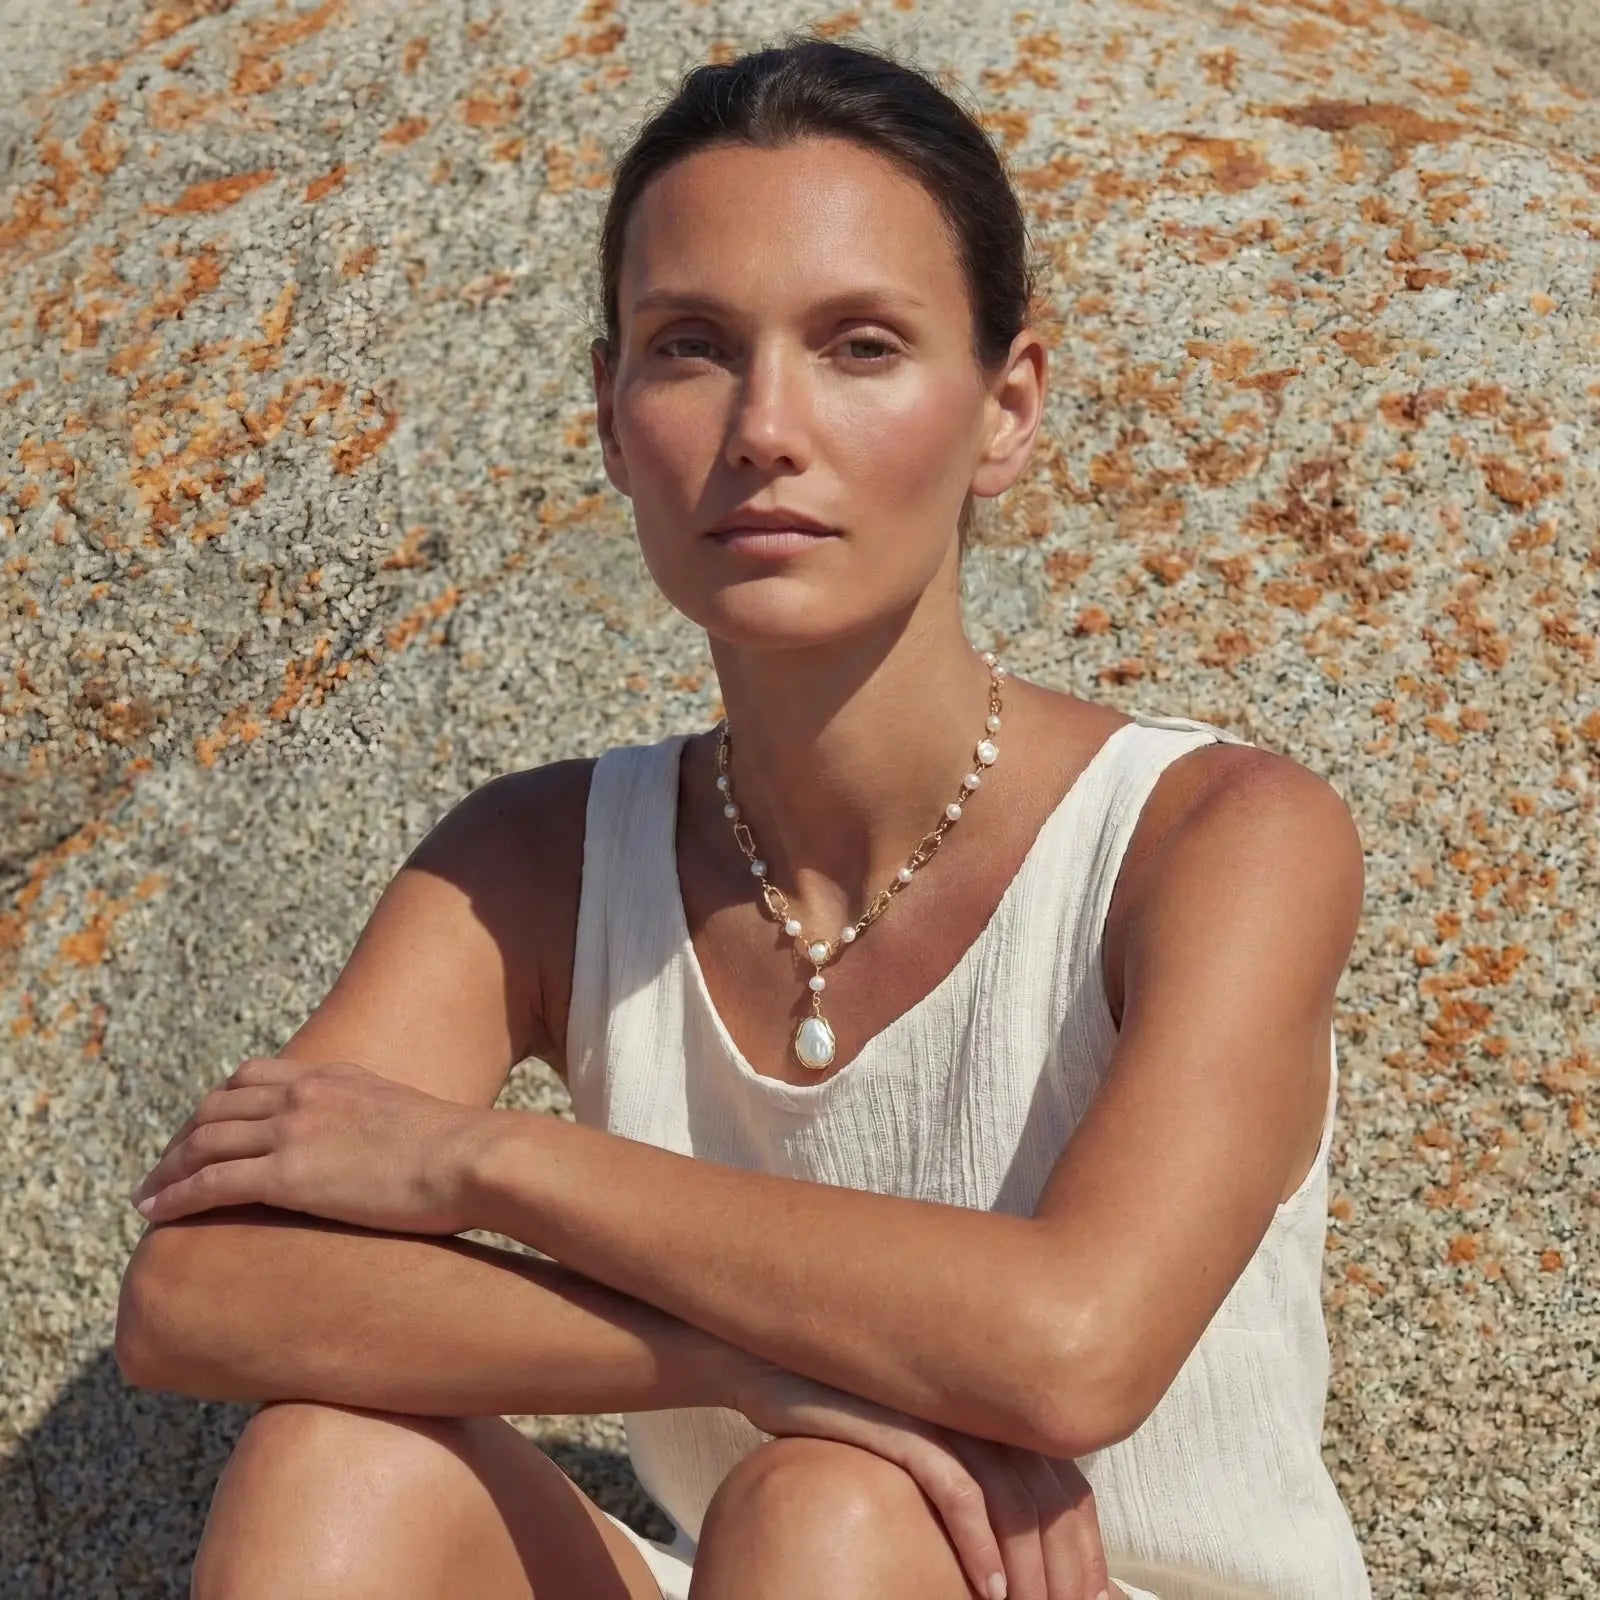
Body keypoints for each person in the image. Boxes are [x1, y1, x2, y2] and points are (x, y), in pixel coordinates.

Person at [115, 31, 1373, 1600]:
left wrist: (485, 1166)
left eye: (860, 345)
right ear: (608, 404)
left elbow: (1071, 1350)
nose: (764, 425)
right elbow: (197, 1293)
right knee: (337, 1463)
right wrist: (735, 1361)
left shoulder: (1215, 837)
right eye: (692, 344)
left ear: (1007, 407)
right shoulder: (532, 860)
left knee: (826, 1511)